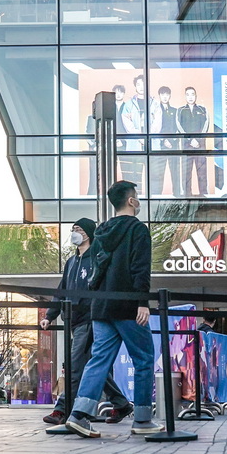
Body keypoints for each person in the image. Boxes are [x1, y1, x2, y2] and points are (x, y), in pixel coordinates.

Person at [65, 181, 164, 437]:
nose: (139, 201)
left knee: (98, 360)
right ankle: (142, 419)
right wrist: (142, 302)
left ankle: (79, 414)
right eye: (137, 197)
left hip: (101, 306)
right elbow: (140, 267)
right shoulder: (138, 230)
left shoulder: (102, 230)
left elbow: (96, 272)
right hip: (128, 305)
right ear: (131, 201)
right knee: (143, 359)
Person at [41, 218, 132, 426]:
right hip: (73, 321)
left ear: (89, 234)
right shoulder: (71, 262)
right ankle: (121, 403)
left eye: (79, 229)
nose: (75, 232)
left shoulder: (96, 258)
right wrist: (49, 315)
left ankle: (62, 409)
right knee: (92, 365)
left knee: (75, 365)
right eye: (73, 229)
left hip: (90, 319)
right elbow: (61, 291)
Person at [149, 86, 182, 197]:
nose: (165, 97)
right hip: (160, 144)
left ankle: (177, 195)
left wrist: (172, 140)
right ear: (159, 96)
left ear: (170, 96)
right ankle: (156, 196)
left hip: (173, 144)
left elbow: (178, 127)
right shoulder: (155, 110)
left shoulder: (175, 110)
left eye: (167, 94)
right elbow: (154, 127)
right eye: (162, 94)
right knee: (158, 172)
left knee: (175, 171)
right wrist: (163, 140)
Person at [178, 87, 209, 196]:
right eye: (188, 94)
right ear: (185, 96)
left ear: (196, 96)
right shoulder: (180, 110)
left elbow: (206, 125)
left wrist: (198, 140)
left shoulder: (202, 109)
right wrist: (190, 140)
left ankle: (204, 195)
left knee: (202, 172)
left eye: (192, 94)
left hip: (200, 146)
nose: (190, 97)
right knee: (186, 172)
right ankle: (187, 195)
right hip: (187, 146)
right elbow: (179, 126)